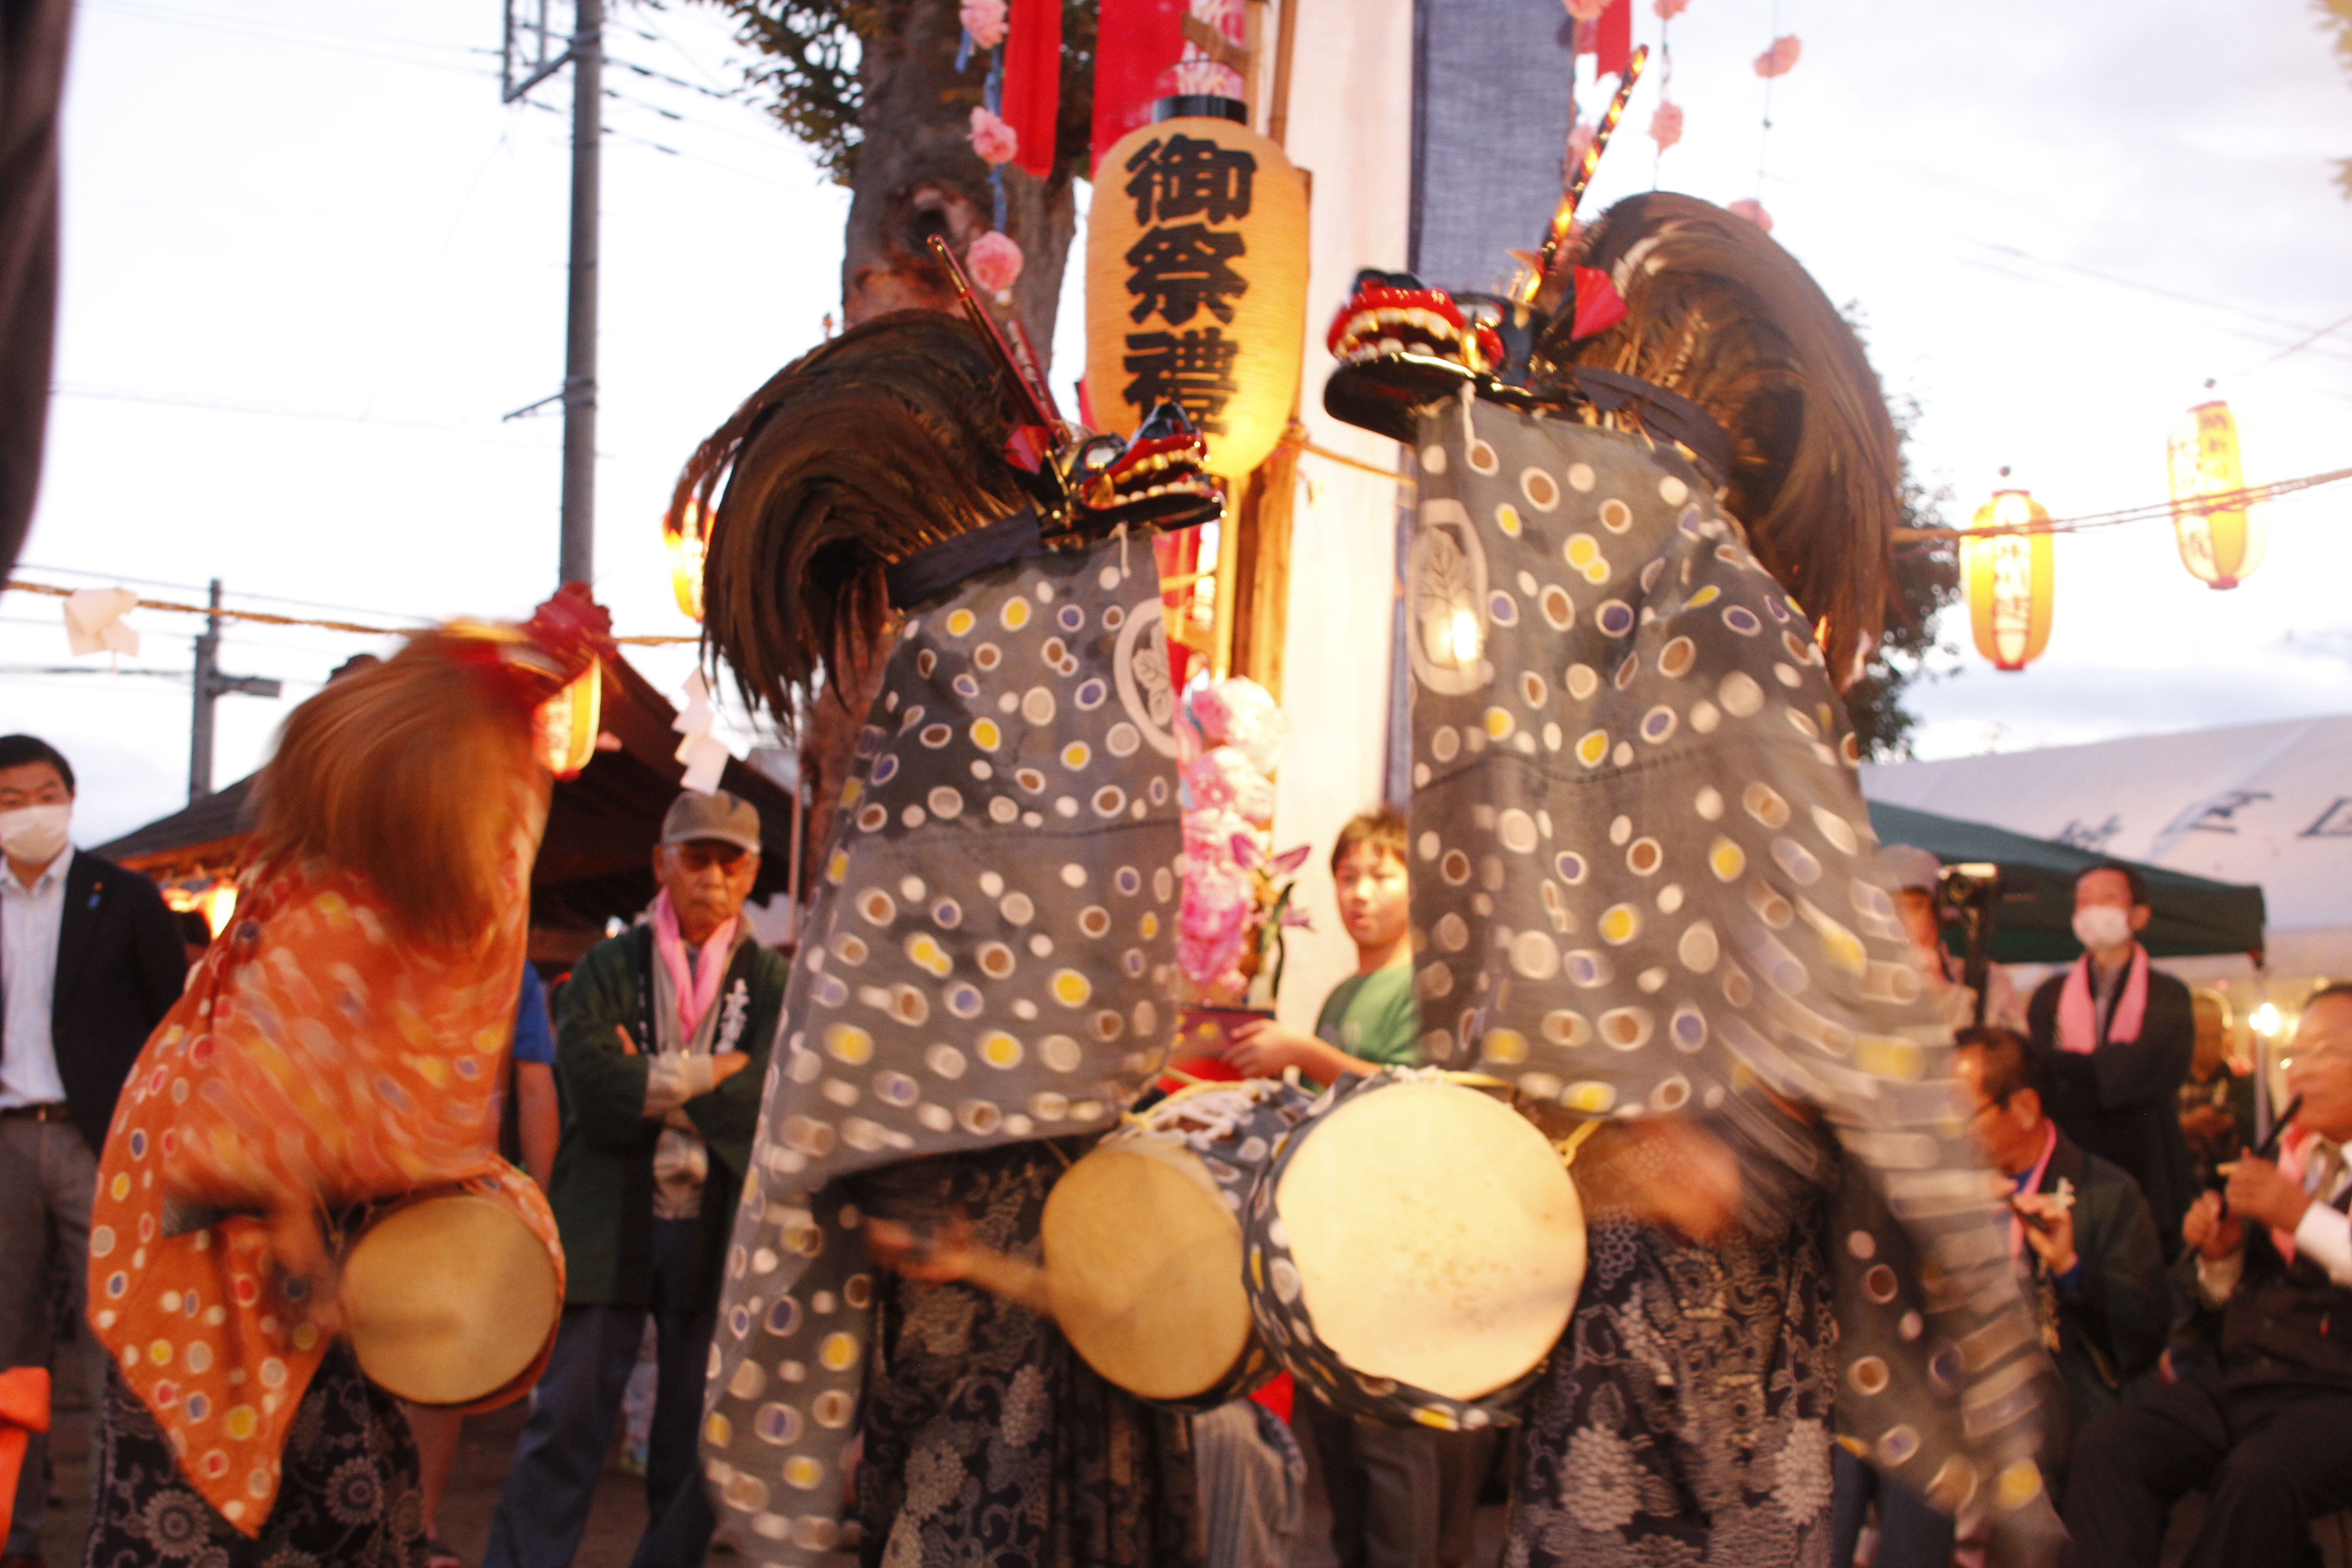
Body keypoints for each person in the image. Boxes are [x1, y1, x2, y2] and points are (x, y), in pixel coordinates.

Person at [1324, 193, 2061, 1566]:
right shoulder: (1580, 664)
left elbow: (1827, 999)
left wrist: (1708, 1147)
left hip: (1708, 1303)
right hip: (1592, 1288)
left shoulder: (1722, 614)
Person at [684, 310, 1212, 1568]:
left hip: (1087, 1339)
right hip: (985, 1372)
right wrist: (915, 1202)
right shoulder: (938, 802)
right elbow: (858, 1158)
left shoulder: (980, 786)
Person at [78, 593, 598, 1567]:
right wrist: (306, 1264)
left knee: (337, 1486)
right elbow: (254, 1110)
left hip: (299, 1221)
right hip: (237, 1238)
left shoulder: (372, 870)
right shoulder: (341, 900)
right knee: (228, 1505)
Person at [483, 789, 788, 1568]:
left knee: (694, 1436)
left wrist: (651, 1079)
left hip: (715, 1223)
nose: (711, 877)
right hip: (608, 1217)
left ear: (751, 870)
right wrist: (714, 1074)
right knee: (567, 1421)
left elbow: (771, 1103)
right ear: (662, 862)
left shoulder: (774, 983)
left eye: (730, 861)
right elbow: (590, 1086)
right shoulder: (607, 964)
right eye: (695, 857)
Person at [1227, 806, 1490, 1568]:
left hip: (1403, 1251)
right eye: (1346, 877)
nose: (1359, 894)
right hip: (1335, 1246)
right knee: (1342, 1456)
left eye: (1380, 875)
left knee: (1395, 1453)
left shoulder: (1424, 985)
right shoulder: (1343, 994)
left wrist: (1302, 1052)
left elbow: (1424, 1097)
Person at [2058, 982, 2352, 1568]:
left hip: (2337, 1393)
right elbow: (2228, 1297)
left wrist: (2297, 1215)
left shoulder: (2294, 1184)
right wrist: (2222, 1257)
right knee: (2111, 1446)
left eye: (2326, 1053)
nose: (2301, 1072)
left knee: (2258, 1478)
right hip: (2246, 1377)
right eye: (2298, 1055)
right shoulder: (2293, 1158)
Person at [0, 733, 184, 1565]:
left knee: (114, 1345)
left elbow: (170, 1027)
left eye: (43, 793)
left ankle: (122, 1534)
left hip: (100, 1147)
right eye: (9, 799)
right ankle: (13, 1532)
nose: (30, 810)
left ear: (69, 799)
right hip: (3, 1142)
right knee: (5, 1356)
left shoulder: (128, 897)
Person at [407, 962, 560, 1568]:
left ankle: (417, 1523)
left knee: (439, 1361)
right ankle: (413, 1526)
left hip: (455, 1183)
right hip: (381, 1179)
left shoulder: (507, 963)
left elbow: (535, 1089)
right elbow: (536, 1088)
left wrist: (535, 1214)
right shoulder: (500, 956)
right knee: (430, 1357)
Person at [2029, 862, 2197, 1259]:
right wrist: (2104, 1071)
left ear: (2139, 915)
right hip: (2073, 1143)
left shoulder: (2168, 993)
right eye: (2083, 902)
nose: (2092, 910)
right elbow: (2044, 1070)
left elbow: (2149, 1072)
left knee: (2144, 1252)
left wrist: (2076, 1069)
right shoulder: (2050, 995)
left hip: (2146, 1144)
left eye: (2107, 898)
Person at [1881, 843, 2025, 1034]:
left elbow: (2010, 1056)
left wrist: (1940, 994)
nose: (1897, 920)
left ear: (1938, 913)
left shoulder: (1987, 979)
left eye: (1911, 907)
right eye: (1886, 908)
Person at [2180, 989, 2254, 1192]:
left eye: (2217, 1037)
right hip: (2181, 1196)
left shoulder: (2245, 1084)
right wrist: (2188, 1125)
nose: (2211, 1046)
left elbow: (2263, 1138)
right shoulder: (2167, 1085)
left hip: (2232, 1196)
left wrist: (2233, 1122)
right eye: (2202, 1038)